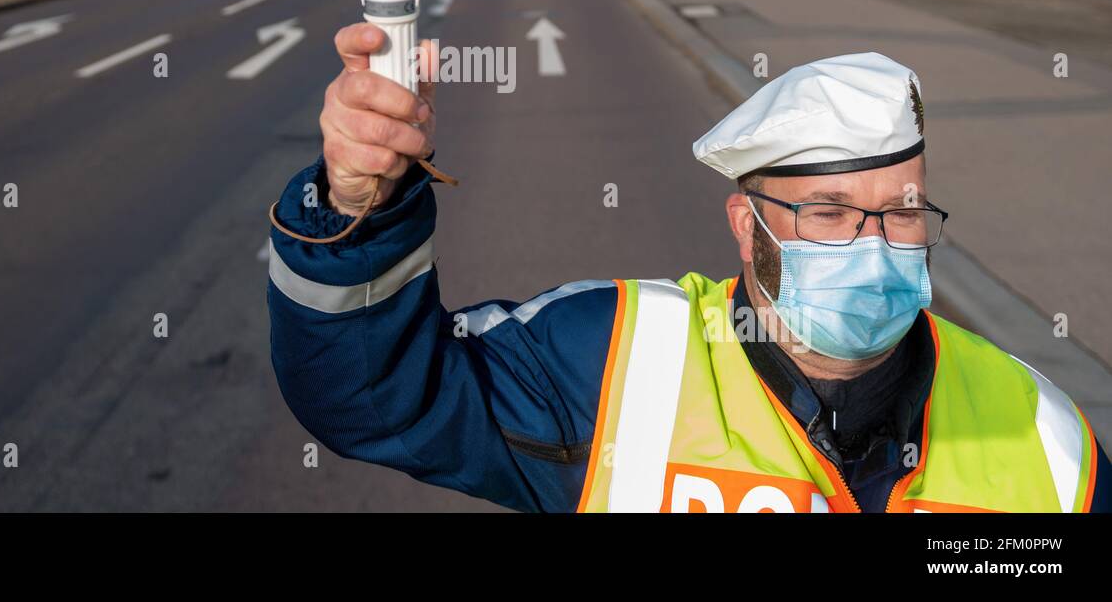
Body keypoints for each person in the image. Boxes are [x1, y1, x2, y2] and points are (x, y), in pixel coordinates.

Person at [268, 40, 1110, 513]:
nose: (877, 243)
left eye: (903, 211)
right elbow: (371, 399)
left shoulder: (1044, 436)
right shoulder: (611, 360)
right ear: (748, 229)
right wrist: (356, 209)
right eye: (827, 211)